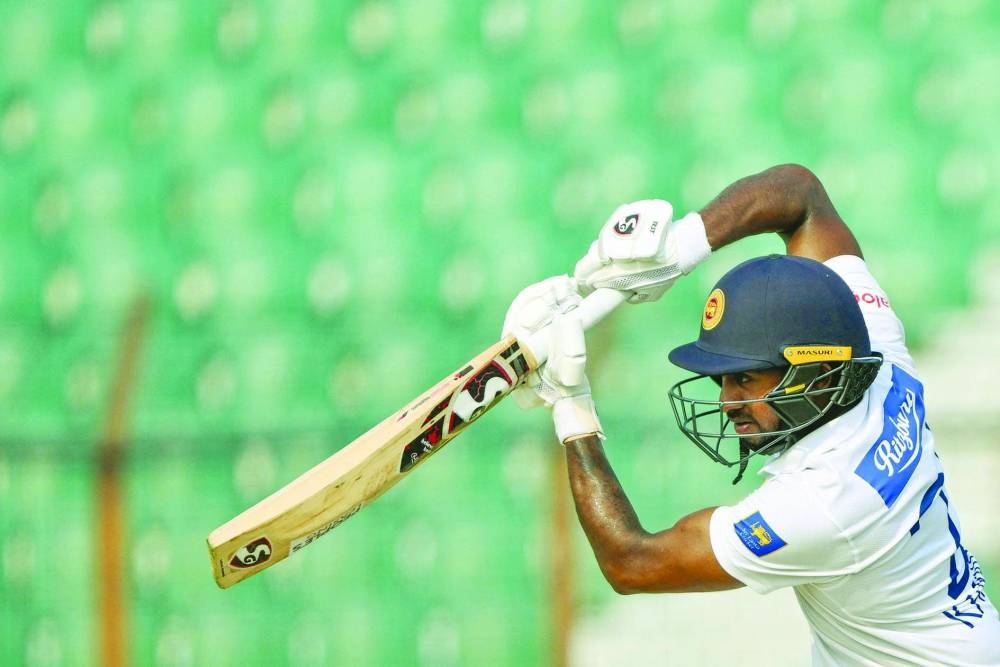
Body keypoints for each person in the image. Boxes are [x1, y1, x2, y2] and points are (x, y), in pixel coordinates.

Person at [502, 164, 1000, 665]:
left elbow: (632, 563)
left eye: (745, 379)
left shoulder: (825, 504)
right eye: (723, 380)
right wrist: (680, 249)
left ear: (816, 374)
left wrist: (569, 403)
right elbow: (801, 195)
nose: (725, 402)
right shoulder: (878, 358)